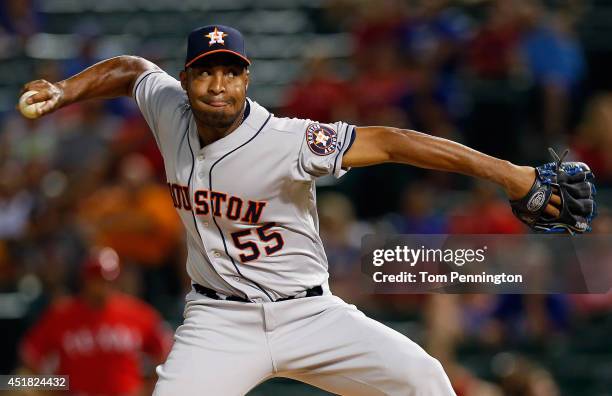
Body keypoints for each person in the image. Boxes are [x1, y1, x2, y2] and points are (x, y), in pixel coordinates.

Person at [20, 24, 573, 396]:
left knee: (426, 380)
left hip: (309, 315)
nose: (218, 85)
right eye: (206, 72)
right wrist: (66, 90)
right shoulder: (169, 108)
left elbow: (395, 141)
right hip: (219, 321)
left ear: (246, 78)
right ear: (186, 79)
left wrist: (511, 173)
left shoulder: (290, 140)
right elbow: (130, 68)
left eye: (230, 72)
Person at [19, 248, 172, 396]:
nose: (103, 286)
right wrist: (54, 390)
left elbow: (167, 352)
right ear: (86, 280)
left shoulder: (139, 314)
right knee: (18, 385)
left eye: (108, 280)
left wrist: (149, 388)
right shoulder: (62, 315)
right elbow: (30, 357)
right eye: (97, 279)